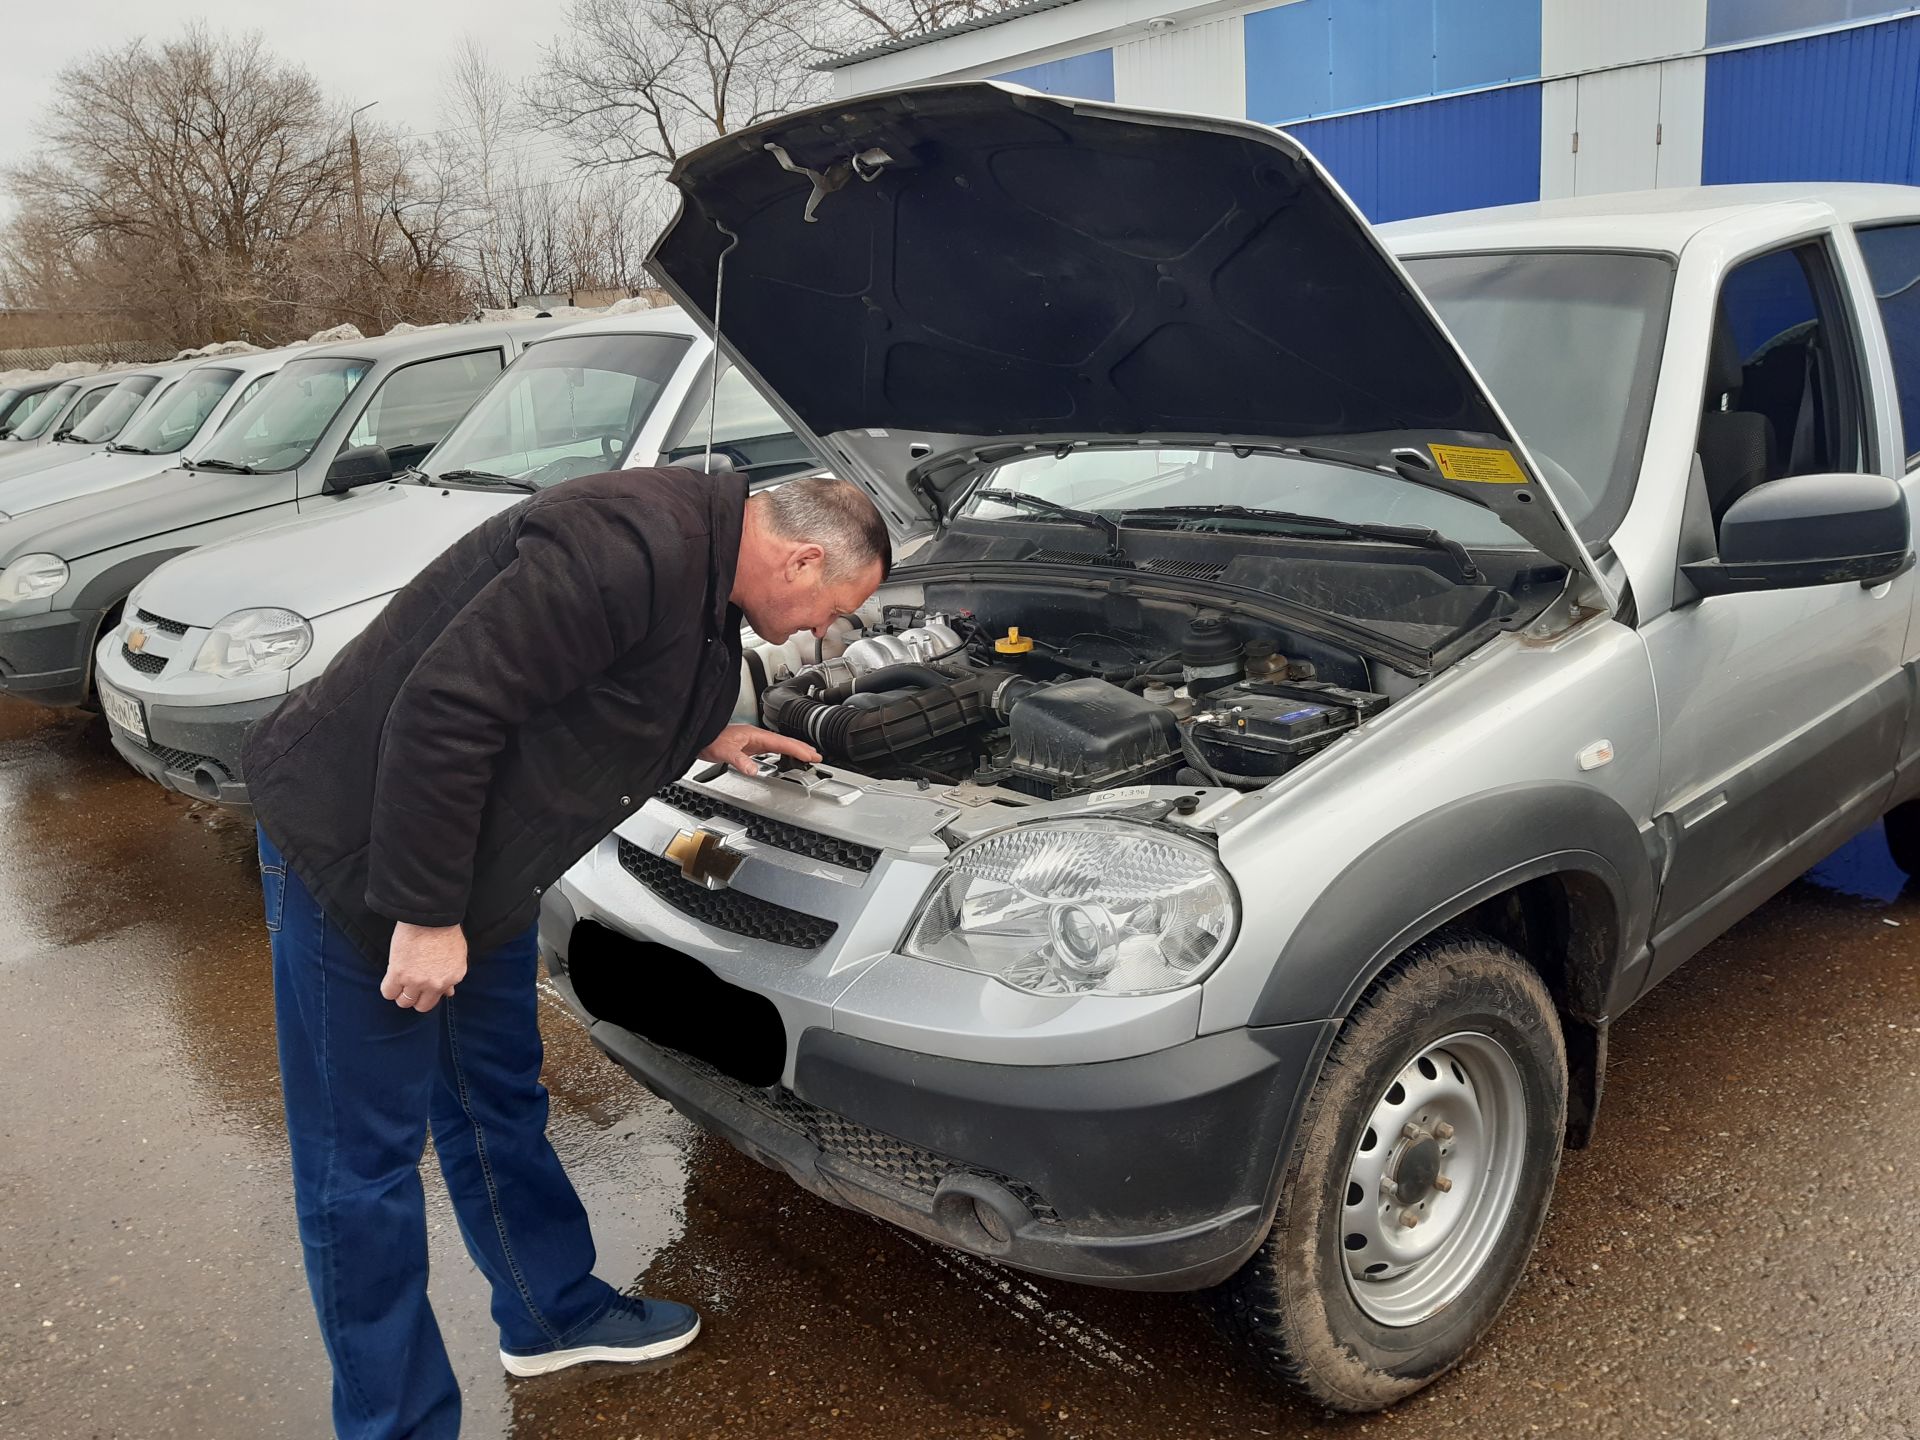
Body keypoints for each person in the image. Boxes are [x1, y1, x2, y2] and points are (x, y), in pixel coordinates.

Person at [243, 468, 890, 1440]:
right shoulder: (629, 545)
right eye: (826, 609)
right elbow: (446, 710)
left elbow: (598, 675)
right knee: (360, 1174)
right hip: (364, 857)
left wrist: (708, 727)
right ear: (801, 556)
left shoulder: (704, 569)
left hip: (473, 870)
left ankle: (552, 1315)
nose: (810, 633)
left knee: (493, 1096)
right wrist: (421, 917)